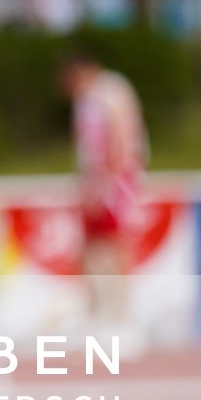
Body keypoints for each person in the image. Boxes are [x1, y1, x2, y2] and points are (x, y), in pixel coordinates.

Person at [60, 50, 148, 345]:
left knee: (118, 243)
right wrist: (86, 182)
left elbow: (120, 134)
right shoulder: (83, 100)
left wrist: (111, 178)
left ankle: (125, 318)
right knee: (88, 246)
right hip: (95, 180)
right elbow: (86, 144)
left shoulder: (111, 90)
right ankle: (94, 314)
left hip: (115, 181)